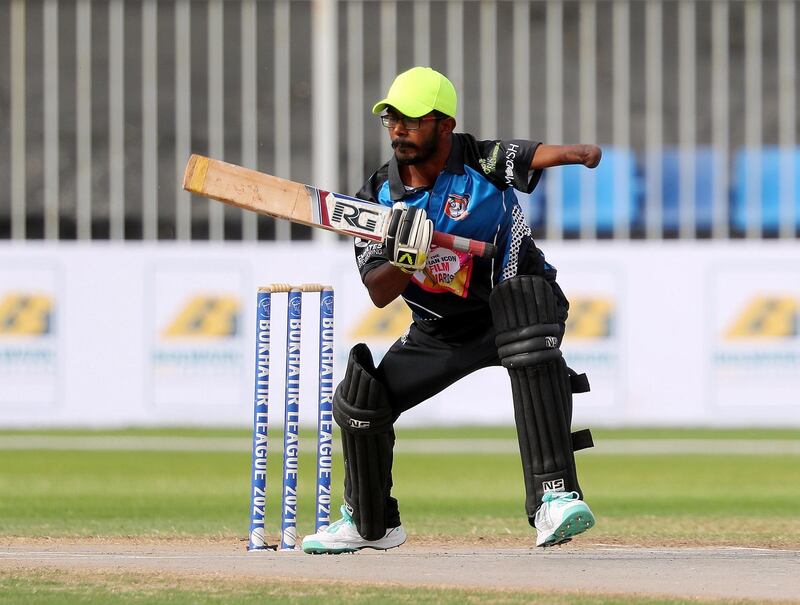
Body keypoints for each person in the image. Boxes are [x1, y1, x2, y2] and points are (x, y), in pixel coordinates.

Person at [302, 67, 601, 554]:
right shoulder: (377, 198)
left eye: (412, 120)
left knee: (527, 317)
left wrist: (578, 154)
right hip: (440, 330)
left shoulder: (479, 160)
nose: (398, 130)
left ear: (444, 125)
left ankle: (554, 499)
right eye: (392, 120)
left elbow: (529, 154)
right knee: (361, 399)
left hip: (512, 305)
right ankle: (370, 524)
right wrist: (406, 255)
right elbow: (379, 291)